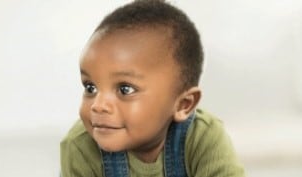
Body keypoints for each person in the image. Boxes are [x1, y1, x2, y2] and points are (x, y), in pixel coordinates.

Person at [60, 0, 245, 177]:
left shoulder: (204, 138)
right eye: (90, 87)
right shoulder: (79, 147)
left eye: (125, 89)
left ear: (183, 105)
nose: (98, 105)